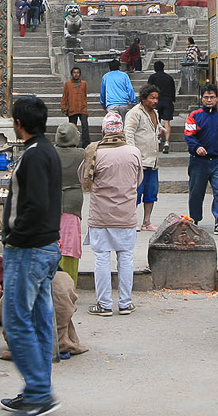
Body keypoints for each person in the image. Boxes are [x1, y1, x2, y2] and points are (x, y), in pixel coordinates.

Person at [0, 96, 63, 415]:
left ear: (18, 124)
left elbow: (36, 205)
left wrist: (14, 237)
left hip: (29, 249)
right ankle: (38, 388)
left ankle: (39, 390)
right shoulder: (45, 151)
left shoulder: (36, 155)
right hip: (45, 246)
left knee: (16, 319)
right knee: (38, 318)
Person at [79, 113, 143, 316]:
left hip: (101, 216)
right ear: (122, 130)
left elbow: (84, 179)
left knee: (101, 259)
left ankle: (104, 304)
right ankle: (125, 303)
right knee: (126, 258)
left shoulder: (94, 152)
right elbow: (139, 180)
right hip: (126, 214)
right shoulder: (134, 152)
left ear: (103, 131)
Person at [186, 84, 218, 234]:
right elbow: (189, 135)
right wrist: (196, 147)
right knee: (196, 192)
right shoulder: (194, 116)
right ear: (201, 98)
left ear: (217, 98)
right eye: (206, 97)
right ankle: (194, 219)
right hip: (198, 161)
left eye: (212, 97)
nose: (209, 100)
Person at [124, 84, 162, 231]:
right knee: (135, 193)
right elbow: (129, 133)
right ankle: (131, 221)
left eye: (156, 98)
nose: (155, 101)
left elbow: (155, 128)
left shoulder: (155, 113)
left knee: (151, 193)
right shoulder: (135, 113)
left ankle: (147, 221)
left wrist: (161, 131)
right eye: (152, 98)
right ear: (144, 99)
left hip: (153, 160)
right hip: (139, 161)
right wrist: (132, 154)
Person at [54, 121, 85, 280]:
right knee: (70, 242)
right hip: (73, 203)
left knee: (53, 241)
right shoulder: (81, 154)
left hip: (52, 202)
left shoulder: (49, 152)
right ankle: (69, 282)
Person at [146, 60, 176, 153]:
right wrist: (173, 100)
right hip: (168, 101)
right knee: (167, 122)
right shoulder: (169, 78)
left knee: (156, 121)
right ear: (163, 68)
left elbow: (148, 89)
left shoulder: (152, 77)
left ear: (154, 68)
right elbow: (173, 90)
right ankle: (166, 142)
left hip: (156, 102)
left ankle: (158, 139)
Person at [61, 67, 90, 148]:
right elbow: (65, 96)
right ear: (71, 74)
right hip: (72, 108)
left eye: (77, 72)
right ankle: (72, 144)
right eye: (74, 72)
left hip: (82, 108)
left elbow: (84, 95)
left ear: (80, 74)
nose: (76, 74)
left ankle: (86, 144)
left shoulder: (84, 84)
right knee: (72, 127)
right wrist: (64, 107)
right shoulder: (68, 84)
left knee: (85, 127)